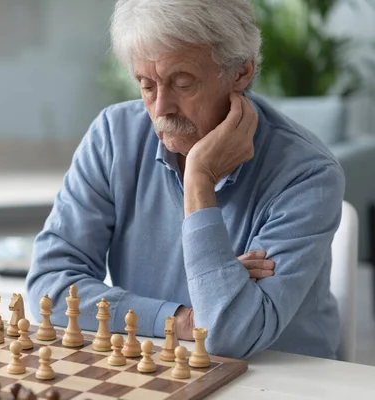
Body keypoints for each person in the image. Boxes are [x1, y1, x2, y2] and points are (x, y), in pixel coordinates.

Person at [25, 0, 344, 360]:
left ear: (241, 72)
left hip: (287, 380)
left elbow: (228, 335)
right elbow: (49, 289)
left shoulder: (308, 173)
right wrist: (180, 319)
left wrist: (198, 180)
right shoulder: (113, 137)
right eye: (146, 85)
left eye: (182, 83)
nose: (161, 108)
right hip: (160, 364)